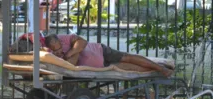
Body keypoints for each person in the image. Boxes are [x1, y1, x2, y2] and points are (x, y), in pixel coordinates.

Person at [44, 34, 174, 77]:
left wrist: (70, 52)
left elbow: (82, 42)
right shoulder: (50, 54)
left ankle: (161, 68)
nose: (58, 52)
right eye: (55, 51)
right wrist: (69, 55)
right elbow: (71, 64)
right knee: (129, 67)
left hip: (100, 51)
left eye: (59, 48)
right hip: (100, 65)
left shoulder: (64, 39)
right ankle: (157, 70)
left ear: (59, 41)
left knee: (127, 57)